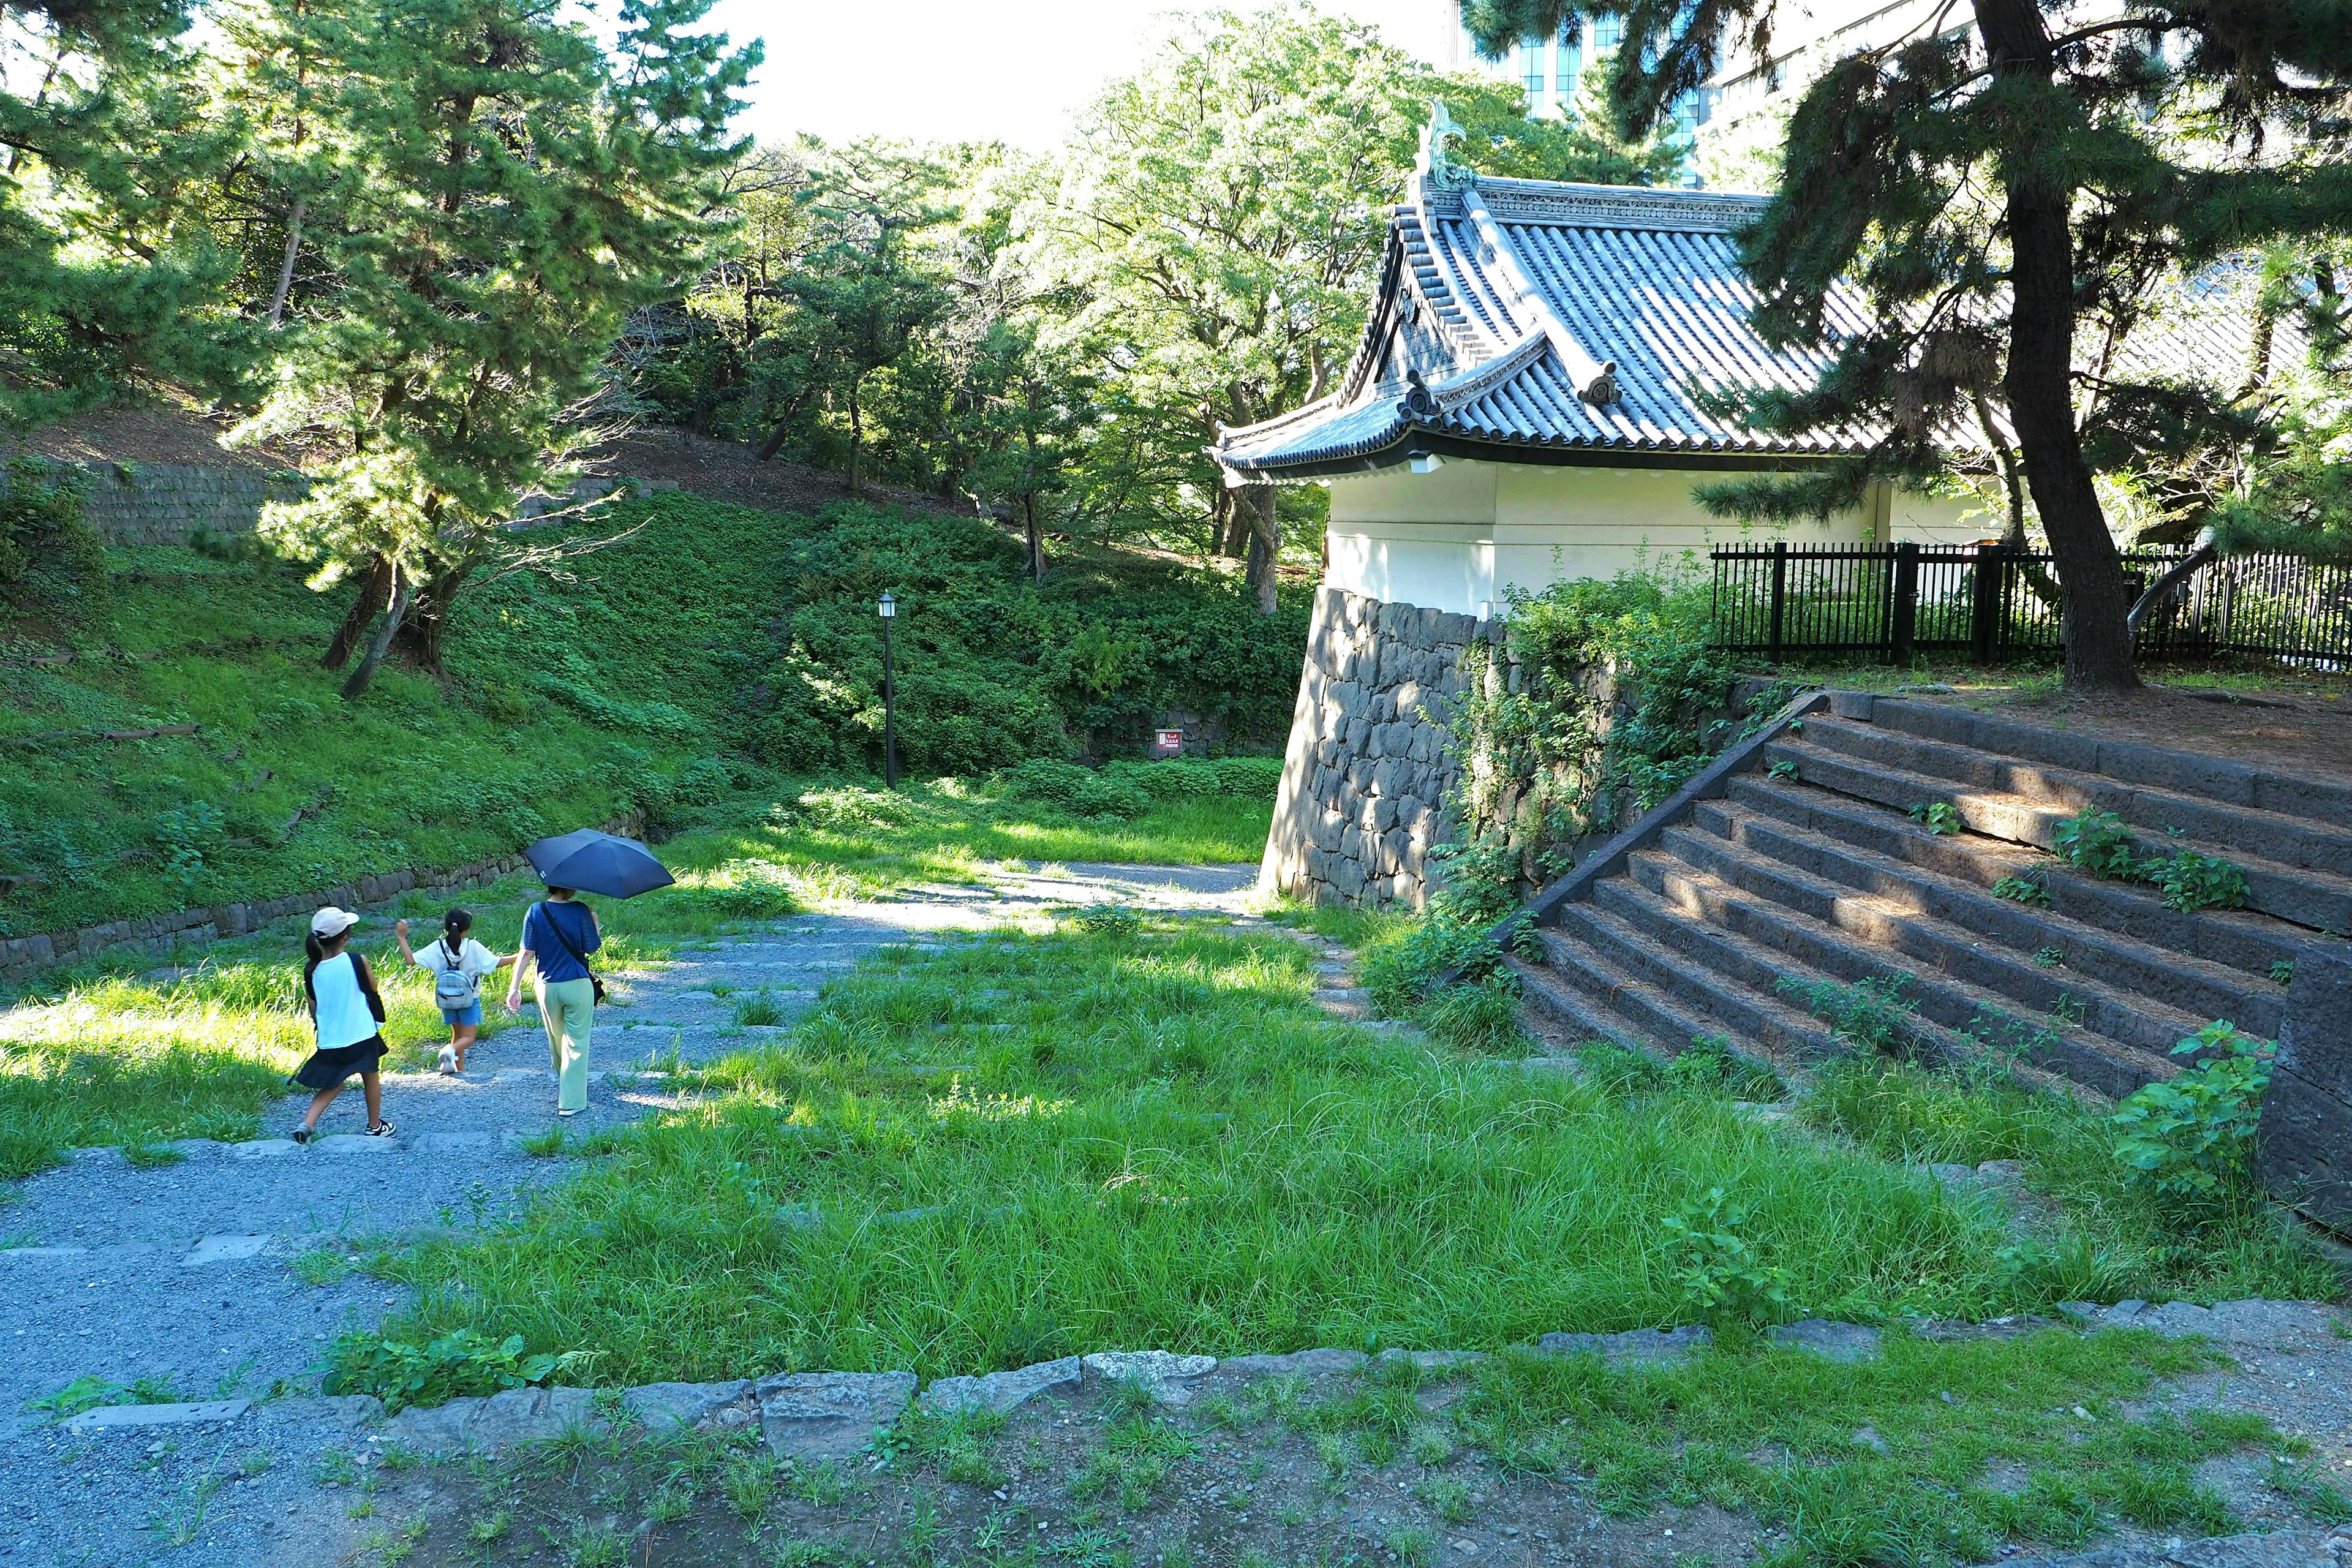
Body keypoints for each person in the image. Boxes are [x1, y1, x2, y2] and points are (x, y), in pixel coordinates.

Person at [290, 907, 394, 1144]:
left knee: (333, 1082)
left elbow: (313, 1008)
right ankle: (374, 1126)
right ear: (345, 936)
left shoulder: (312, 970)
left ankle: (307, 1123)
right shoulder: (357, 961)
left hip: (332, 1039)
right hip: (362, 1032)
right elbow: (373, 988)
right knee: (371, 1077)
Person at [507, 884, 600, 1117]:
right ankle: (572, 1101)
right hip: (577, 984)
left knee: (557, 1040)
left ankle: (567, 1084)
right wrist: (595, 923)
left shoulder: (535, 910)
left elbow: (526, 952)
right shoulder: (580, 911)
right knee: (577, 1043)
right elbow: (592, 948)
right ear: (571, 888)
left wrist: (514, 987)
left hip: (547, 986)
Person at [395, 908, 513, 1074]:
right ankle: (448, 1051)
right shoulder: (473, 946)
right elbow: (497, 962)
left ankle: (455, 1067)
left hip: (447, 999)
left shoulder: (438, 947)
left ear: (446, 928)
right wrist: (521, 956)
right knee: (469, 1038)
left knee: (458, 1036)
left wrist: (401, 937)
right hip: (469, 999)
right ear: (466, 930)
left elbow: (410, 960)